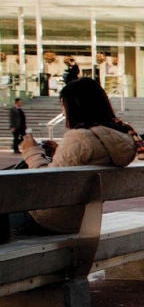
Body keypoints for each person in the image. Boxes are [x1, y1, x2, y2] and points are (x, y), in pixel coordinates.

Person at [14, 78, 136, 234]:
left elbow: (48, 180)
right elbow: (85, 159)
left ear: (75, 106)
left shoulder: (79, 138)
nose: (63, 111)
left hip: (49, 218)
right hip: (84, 217)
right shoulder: (114, 138)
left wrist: (31, 150)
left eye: (63, 105)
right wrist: (59, 151)